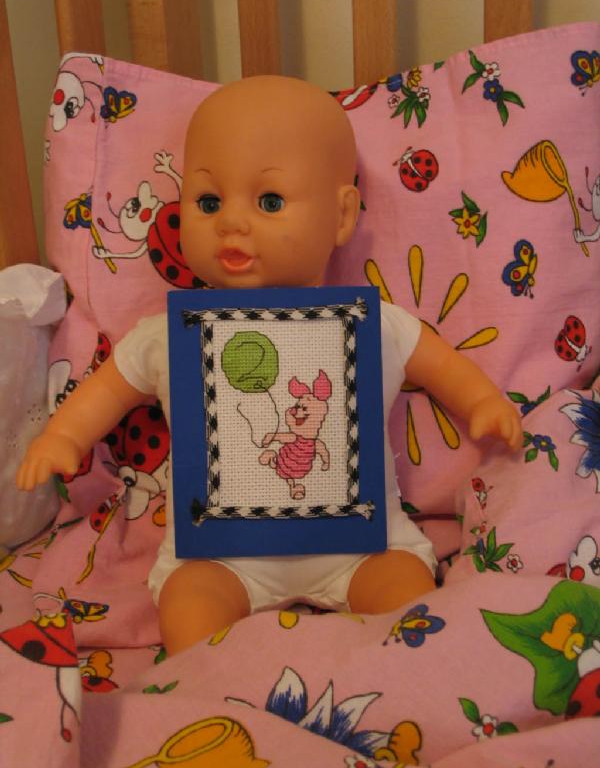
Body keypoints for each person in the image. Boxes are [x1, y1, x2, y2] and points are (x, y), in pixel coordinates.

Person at [17, 75, 522, 656]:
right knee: (189, 613)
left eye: (270, 202)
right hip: (221, 556)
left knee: (409, 602)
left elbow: (442, 366)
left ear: (341, 216)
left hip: (362, 547)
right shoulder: (172, 335)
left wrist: (483, 402)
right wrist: (63, 436)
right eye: (209, 202)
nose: (231, 222)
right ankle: (218, 686)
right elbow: (108, 390)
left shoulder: (371, 323)